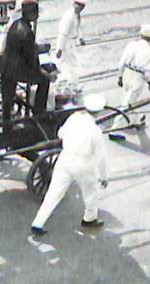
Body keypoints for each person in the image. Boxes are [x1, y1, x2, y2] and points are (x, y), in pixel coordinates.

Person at [30, 94, 108, 235]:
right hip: (84, 164)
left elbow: (60, 133)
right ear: (99, 112)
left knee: (53, 193)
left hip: (65, 159)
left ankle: (38, 222)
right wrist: (103, 177)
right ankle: (89, 219)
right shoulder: (96, 132)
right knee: (90, 193)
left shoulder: (74, 118)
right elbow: (101, 158)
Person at [0, 0, 52, 140]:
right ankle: (38, 115)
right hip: (18, 70)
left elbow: (24, 48)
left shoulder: (15, 25)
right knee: (44, 81)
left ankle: (6, 125)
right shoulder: (28, 32)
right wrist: (43, 72)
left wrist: (39, 48)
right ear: (31, 14)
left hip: (5, 67)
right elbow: (31, 59)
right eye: (36, 13)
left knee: (7, 98)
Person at [55, 0, 87, 86]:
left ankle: (58, 82)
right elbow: (63, 33)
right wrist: (60, 48)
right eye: (78, 5)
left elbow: (77, 27)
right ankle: (72, 83)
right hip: (66, 42)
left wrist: (80, 38)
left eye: (81, 6)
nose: (79, 8)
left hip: (71, 41)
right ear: (74, 4)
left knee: (62, 63)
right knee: (73, 64)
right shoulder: (69, 16)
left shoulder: (76, 15)